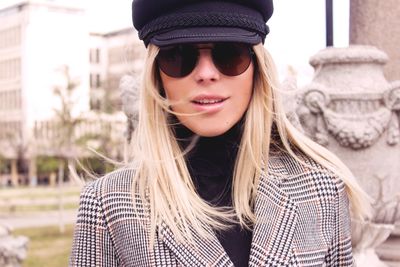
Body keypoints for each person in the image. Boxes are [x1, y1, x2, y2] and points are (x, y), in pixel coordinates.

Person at [70, 0, 371, 266]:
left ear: (257, 69)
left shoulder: (321, 190)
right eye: (179, 56)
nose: (206, 73)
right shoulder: (108, 204)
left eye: (229, 54)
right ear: (157, 75)